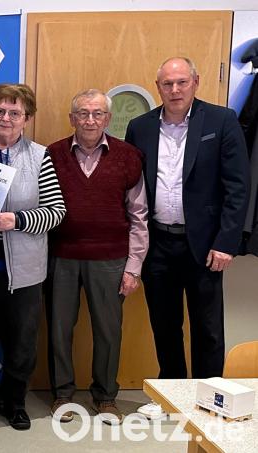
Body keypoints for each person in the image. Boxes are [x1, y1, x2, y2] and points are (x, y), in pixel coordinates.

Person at [125, 57, 250, 418]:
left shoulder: (221, 120)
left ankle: (209, 401)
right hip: (158, 244)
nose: (175, 90)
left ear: (196, 82)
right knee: (165, 325)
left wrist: (226, 242)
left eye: (182, 82)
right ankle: (171, 397)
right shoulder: (140, 127)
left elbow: (238, 187)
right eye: (167, 83)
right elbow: (132, 188)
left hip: (205, 245)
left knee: (207, 328)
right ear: (158, 87)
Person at [46, 89, 148, 425]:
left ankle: (105, 397)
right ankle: (62, 394)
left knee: (108, 331)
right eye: (83, 113)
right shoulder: (52, 154)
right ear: (72, 118)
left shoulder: (129, 156)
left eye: (97, 113)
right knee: (59, 329)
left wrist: (134, 267)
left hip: (110, 259)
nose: (90, 120)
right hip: (61, 256)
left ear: (108, 118)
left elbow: (139, 215)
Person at [0, 83, 65, 431]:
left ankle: (15, 402)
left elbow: (56, 212)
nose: (6, 118)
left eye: (15, 113)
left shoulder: (40, 156)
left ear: (27, 118)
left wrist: (17, 220)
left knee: (21, 345)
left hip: (23, 272)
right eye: (0, 111)